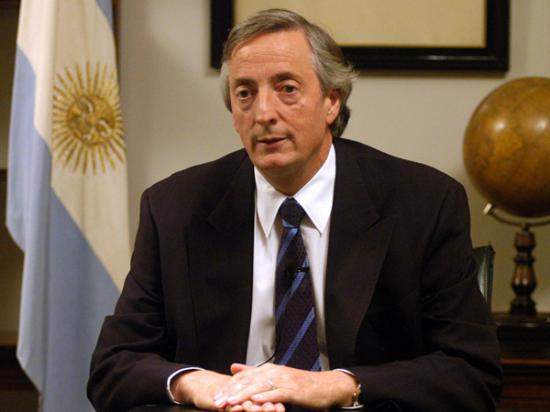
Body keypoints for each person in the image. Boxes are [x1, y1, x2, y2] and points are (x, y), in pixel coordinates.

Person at [87, 9, 502, 412]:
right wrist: (196, 383)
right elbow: (113, 366)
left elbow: (471, 373)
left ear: (331, 102)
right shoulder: (174, 208)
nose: (263, 113)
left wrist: (337, 386)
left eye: (287, 88)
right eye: (245, 93)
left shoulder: (423, 203)